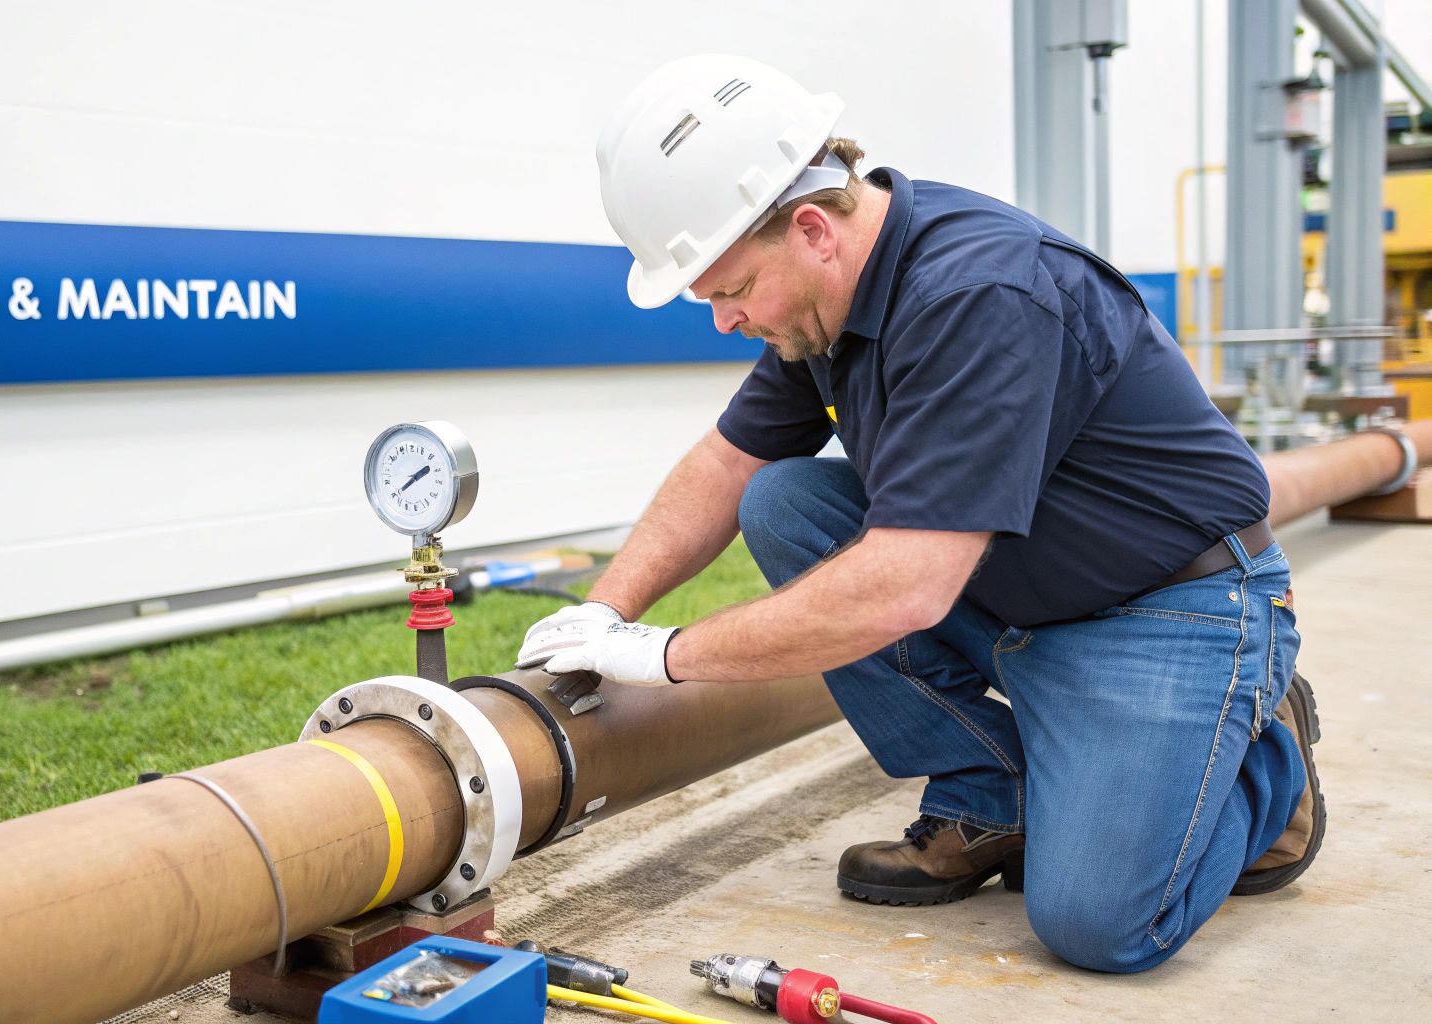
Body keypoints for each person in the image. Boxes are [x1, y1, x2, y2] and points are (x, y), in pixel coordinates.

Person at [514, 54, 1322, 974]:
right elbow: (728, 461)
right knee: (782, 500)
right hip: (1024, 589)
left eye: (731, 291)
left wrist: (662, 655)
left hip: (1172, 609)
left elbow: (904, 587)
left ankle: (1262, 756)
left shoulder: (981, 293)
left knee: (1098, 925)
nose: (725, 320)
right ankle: (995, 794)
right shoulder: (827, 300)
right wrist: (605, 610)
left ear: (811, 227)